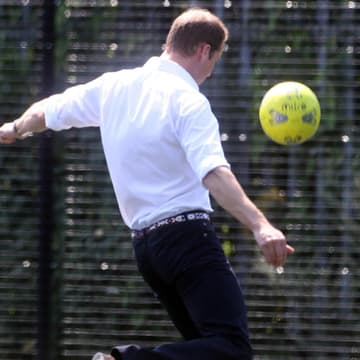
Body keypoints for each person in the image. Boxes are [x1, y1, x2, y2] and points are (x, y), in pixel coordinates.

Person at [0, 7, 294, 360]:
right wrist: (261, 225)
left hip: (148, 250)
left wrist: (15, 128)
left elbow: (47, 111)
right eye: (216, 58)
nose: (212, 70)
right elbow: (213, 172)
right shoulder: (188, 100)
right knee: (231, 348)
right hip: (188, 240)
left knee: (205, 349)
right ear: (204, 50)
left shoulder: (113, 86)